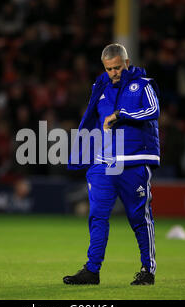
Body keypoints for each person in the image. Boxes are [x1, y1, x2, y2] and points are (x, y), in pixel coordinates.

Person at [64, 44, 160, 285]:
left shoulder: (143, 84)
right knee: (96, 216)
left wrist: (121, 114)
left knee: (139, 218)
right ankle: (92, 270)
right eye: (109, 68)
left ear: (126, 63)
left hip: (133, 162)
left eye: (117, 67)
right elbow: (92, 120)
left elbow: (153, 110)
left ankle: (147, 270)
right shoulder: (101, 86)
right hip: (103, 163)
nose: (114, 72)